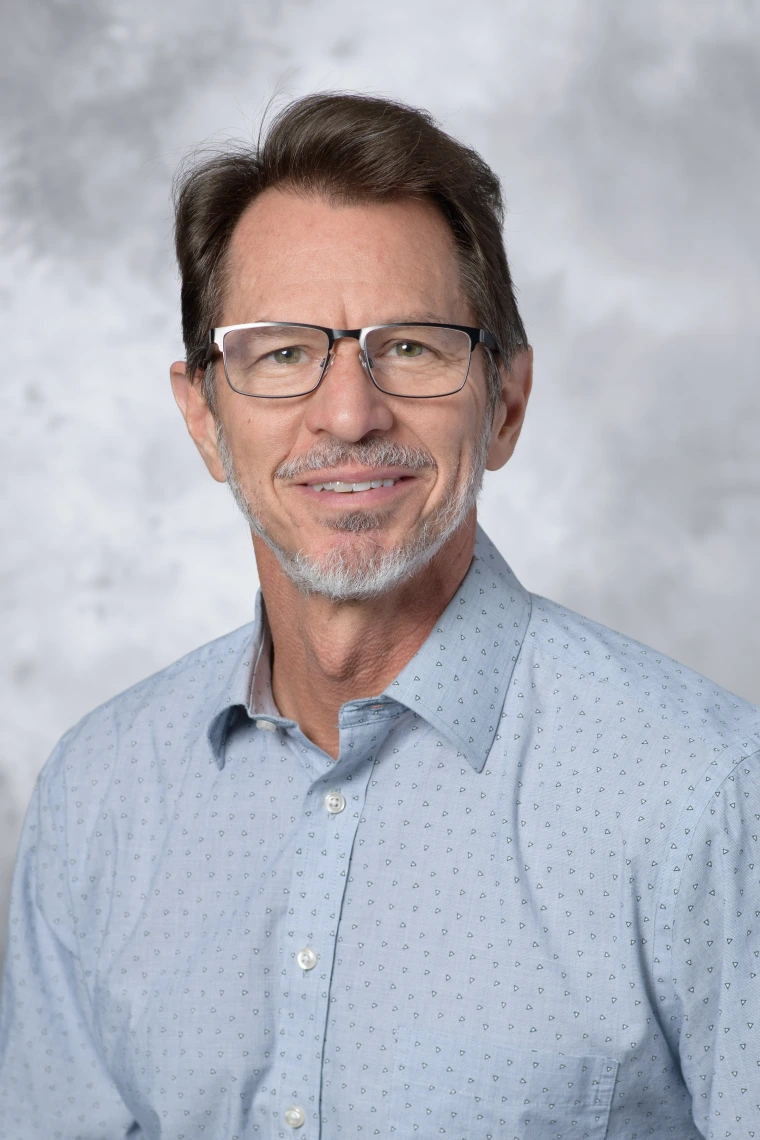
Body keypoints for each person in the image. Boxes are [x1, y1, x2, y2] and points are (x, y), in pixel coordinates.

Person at [0, 93, 758, 1140]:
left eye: (410, 347)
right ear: (204, 418)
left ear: (504, 404)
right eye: (278, 354)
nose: (349, 414)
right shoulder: (98, 795)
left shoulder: (709, 794)